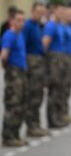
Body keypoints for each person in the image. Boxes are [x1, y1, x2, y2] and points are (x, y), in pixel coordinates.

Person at [1, 9, 28, 147]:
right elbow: (4, 55)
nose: (21, 23)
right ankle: (8, 136)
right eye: (18, 20)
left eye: (23, 20)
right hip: (14, 73)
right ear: (12, 21)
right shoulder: (9, 35)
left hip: (21, 72)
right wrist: (9, 70)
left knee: (21, 105)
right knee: (13, 104)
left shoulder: (20, 35)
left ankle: (15, 134)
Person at [22, 1, 50, 137]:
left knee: (38, 96)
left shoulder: (39, 26)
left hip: (39, 63)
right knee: (32, 96)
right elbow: (23, 46)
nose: (40, 15)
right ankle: (31, 126)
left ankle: (36, 124)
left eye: (42, 13)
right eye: (38, 12)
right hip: (31, 63)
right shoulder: (27, 26)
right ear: (32, 11)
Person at [43, 4, 68, 128]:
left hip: (61, 59)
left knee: (60, 90)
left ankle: (58, 116)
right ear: (55, 12)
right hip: (54, 60)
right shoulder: (51, 26)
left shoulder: (61, 26)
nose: (62, 14)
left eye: (64, 12)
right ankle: (52, 119)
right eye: (60, 11)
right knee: (54, 88)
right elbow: (45, 44)